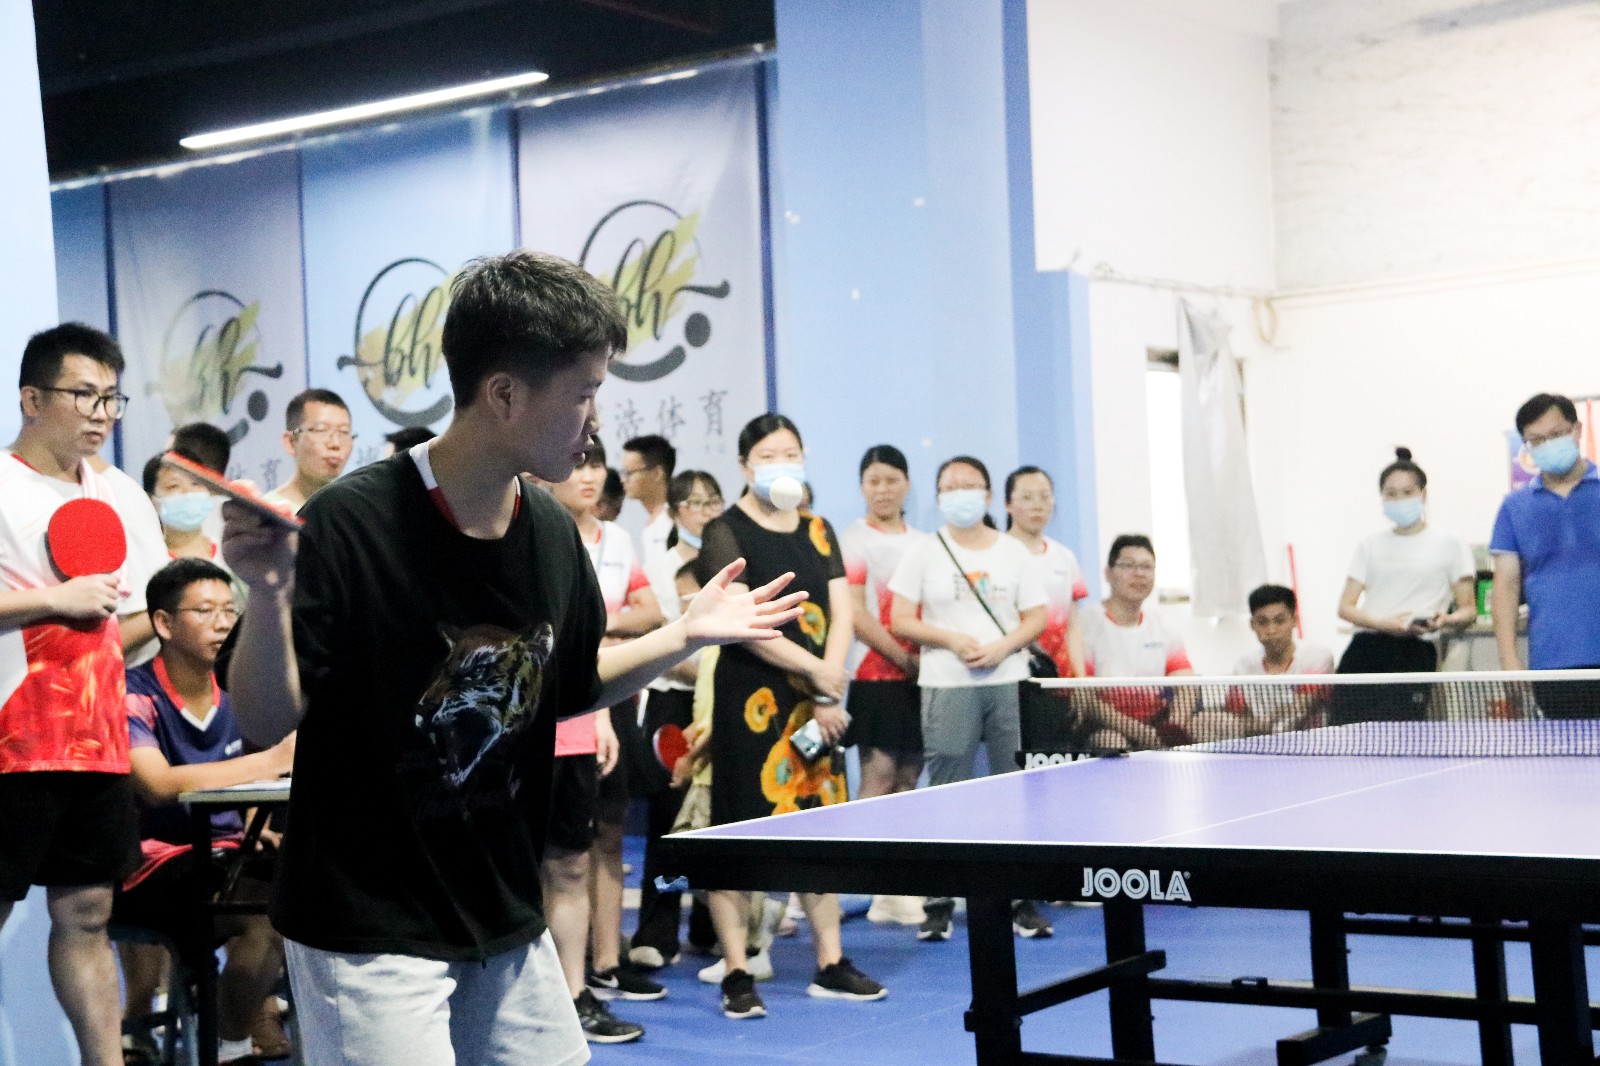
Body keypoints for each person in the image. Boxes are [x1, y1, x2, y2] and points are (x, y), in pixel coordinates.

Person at [221, 250, 803, 1066]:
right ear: (503, 394)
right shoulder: (351, 523)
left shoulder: (552, 531)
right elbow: (264, 717)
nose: (595, 421)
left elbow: (569, 686)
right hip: (368, 924)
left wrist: (683, 635)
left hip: (500, 908)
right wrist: (268, 595)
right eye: (583, 393)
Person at [695, 413, 885, 1020]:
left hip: (813, 708)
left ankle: (830, 961)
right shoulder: (723, 531)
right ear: (745, 465)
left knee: (816, 826)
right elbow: (742, 621)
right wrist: (818, 672)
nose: (782, 465)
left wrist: (829, 688)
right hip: (752, 702)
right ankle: (737, 969)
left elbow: (842, 611)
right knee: (737, 830)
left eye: (791, 454)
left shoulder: (819, 528)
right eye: (769, 456)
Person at [0, 323, 146, 1066]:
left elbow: (143, 615)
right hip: (8, 737)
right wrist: (52, 601)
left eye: (111, 397)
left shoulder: (120, 492)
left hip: (96, 741)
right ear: (32, 398)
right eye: (83, 394)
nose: (101, 412)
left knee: (88, 911)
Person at [115, 559, 295, 1065]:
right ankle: (228, 1035)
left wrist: (257, 826)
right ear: (163, 623)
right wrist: (271, 761)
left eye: (228, 611)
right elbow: (157, 784)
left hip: (226, 856)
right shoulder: (132, 694)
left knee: (291, 893)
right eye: (204, 611)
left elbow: (252, 780)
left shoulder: (239, 692)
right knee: (262, 910)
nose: (222, 623)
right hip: (150, 866)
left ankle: (232, 1035)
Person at [888, 455, 1050, 941]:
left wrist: (1003, 647)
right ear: (939, 497)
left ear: (987, 494)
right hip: (946, 684)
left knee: (1013, 791)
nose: (960, 494)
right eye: (950, 487)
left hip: (1007, 682)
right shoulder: (924, 551)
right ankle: (939, 902)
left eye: (970, 485)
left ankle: (1019, 900)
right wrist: (951, 639)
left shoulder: (1013, 552)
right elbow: (900, 619)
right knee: (946, 792)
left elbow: (1036, 617)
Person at [544, 442, 666, 1038]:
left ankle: (584, 985)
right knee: (532, 868)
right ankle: (545, 994)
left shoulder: (612, 541)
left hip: (591, 717)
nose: (588, 474)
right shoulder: (525, 534)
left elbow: (648, 615)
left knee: (580, 857)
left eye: (596, 463)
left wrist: (596, 710)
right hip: (527, 728)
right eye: (577, 461)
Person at [630, 470, 724, 970]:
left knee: (717, 819)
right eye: (695, 503)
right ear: (674, 512)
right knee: (668, 821)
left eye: (713, 502)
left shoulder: (731, 564)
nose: (705, 512)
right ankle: (656, 931)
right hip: (674, 703)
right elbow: (665, 644)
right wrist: (710, 670)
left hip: (719, 703)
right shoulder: (661, 569)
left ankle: (711, 929)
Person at [838, 445, 925, 928]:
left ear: (907, 484)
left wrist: (921, 661)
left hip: (920, 677)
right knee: (878, 777)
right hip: (875, 674)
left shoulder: (925, 543)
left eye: (892, 480)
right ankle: (867, 881)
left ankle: (899, 886)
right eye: (873, 481)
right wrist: (901, 657)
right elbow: (855, 612)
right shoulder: (853, 540)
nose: (883, 489)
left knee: (910, 779)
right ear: (862, 487)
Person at [1335, 449, 1474, 723]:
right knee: (1346, 733)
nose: (1399, 499)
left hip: (1415, 651)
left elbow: (1468, 610)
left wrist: (1444, 620)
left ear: (1423, 494)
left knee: (1402, 736)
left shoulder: (1451, 542)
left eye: (1407, 492)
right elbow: (1345, 607)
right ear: (1382, 497)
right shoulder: (1369, 545)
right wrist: (1383, 624)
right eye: (1391, 493)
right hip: (1364, 650)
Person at [1491, 394, 1600, 718]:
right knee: (1564, 751)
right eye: (1537, 440)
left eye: (1556, 434)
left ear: (1576, 430)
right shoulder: (1514, 507)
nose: (1548, 445)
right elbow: (1506, 586)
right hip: (1552, 664)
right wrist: (1509, 659)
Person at [1078, 535, 1196, 750]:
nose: (1139, 574)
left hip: (1157, 722)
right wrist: (1142, 734)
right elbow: (1087, 697)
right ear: (1108, 573)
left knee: (1217, 722)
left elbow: (1186, 687)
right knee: (1111, 742)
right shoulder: (1085, 625)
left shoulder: (1162, 626)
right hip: (1105, 727)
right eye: (1128, 565)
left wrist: (1172, 728)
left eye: (1146, 567)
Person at [1225, 584, 1335, 735]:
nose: (1271, 630)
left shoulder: (1317, 657)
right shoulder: (1243, 666)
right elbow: (1236, 716)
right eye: (1262, 622)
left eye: (1279, 620)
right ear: (1252, 625)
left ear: (1294, 620)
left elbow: (1302, 704)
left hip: (1312, 741)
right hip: (1259, 743)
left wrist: (1263, 724)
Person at [262, 388, 354, 514]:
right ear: (291, 442)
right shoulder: (268, 512)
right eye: (321, 430)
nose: (335, 444)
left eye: (344, 432)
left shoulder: (353, 511)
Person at [622, 435, 676, 565]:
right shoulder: (651, 520)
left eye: (629, 473)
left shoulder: (676, 519)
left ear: (657, 473)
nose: (623, 480)